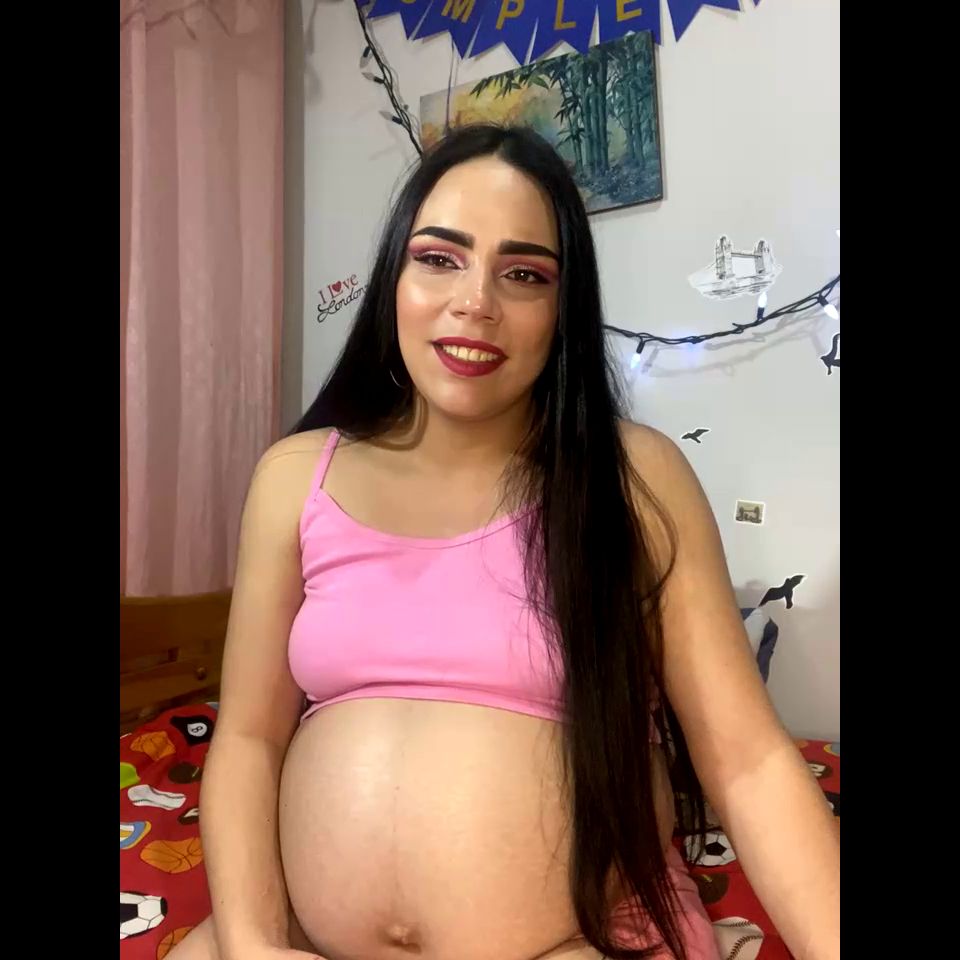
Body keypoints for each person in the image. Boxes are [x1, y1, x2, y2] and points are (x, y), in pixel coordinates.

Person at [168, 125, 839, 960]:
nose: (475, 301)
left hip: (579, 939)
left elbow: (748, 763)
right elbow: (248, 739)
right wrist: (253, 943)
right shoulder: (293, 475)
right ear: (395, 277)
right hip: (303, 940)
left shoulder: (635, 477)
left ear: (563, 309)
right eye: (439, 258)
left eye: (524, 274)